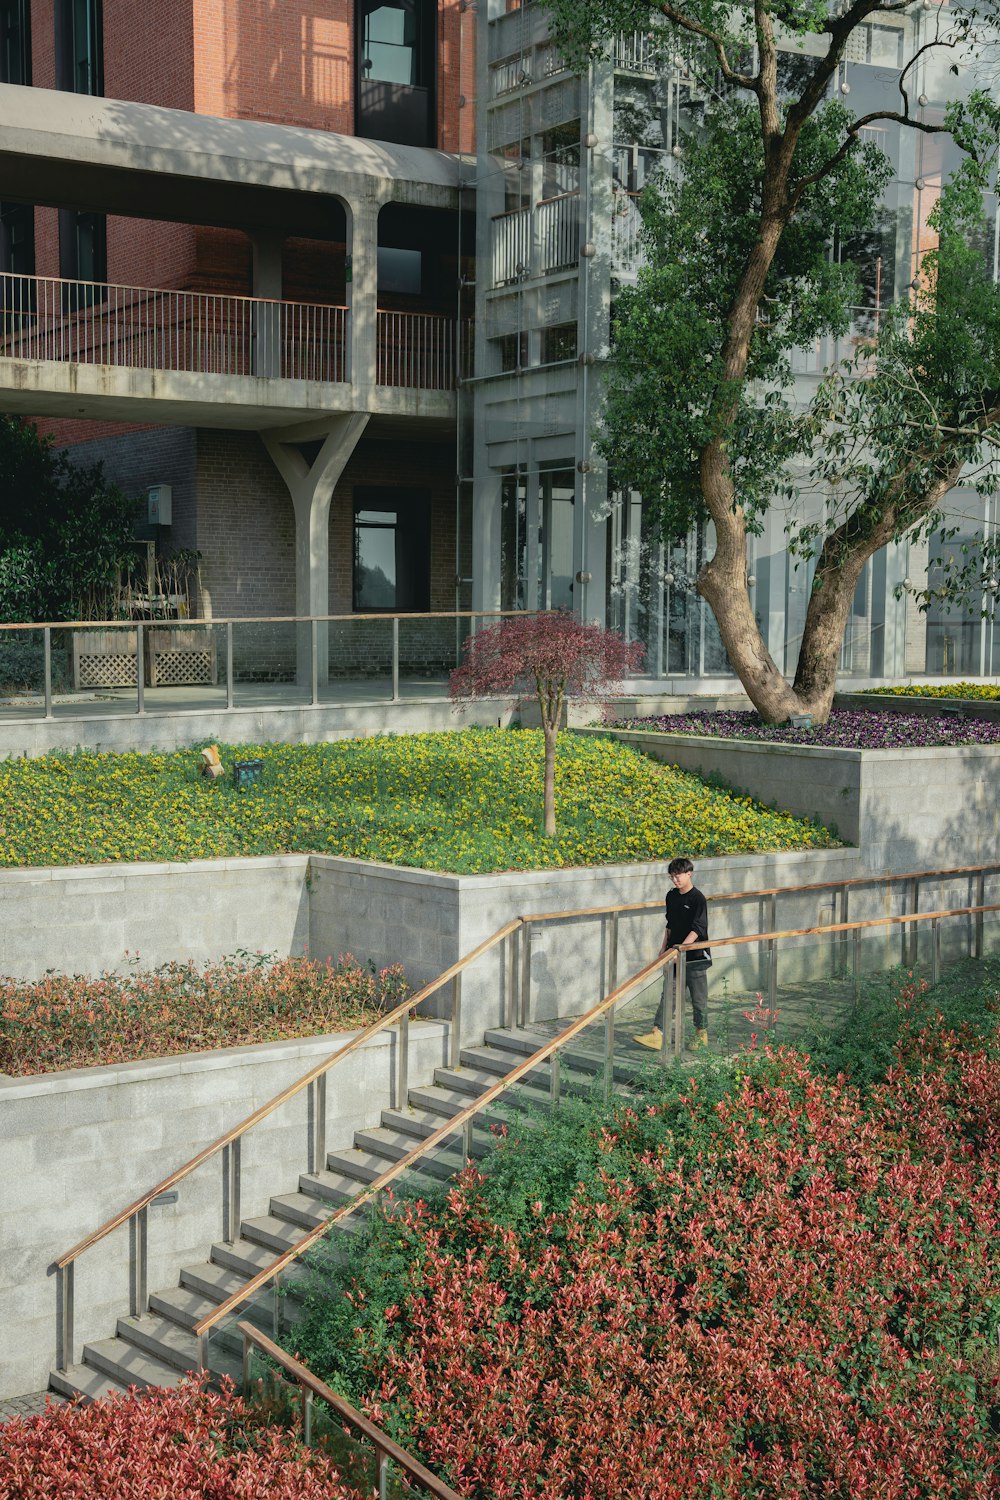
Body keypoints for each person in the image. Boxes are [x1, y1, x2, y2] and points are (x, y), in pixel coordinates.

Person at [636, 857, 711, 1052]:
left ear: (689, 873)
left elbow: (698, 928)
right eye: (672, 877)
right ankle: (657, 1034)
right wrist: (664, 948)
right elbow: (670, 924)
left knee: (698, 999)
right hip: (673, 954)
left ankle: (701, 1034)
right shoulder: (671, 896)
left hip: (695, 957)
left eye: (677, 876)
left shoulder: (698, 898)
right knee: (669, 993)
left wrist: (681, 949)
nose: (675, 880)